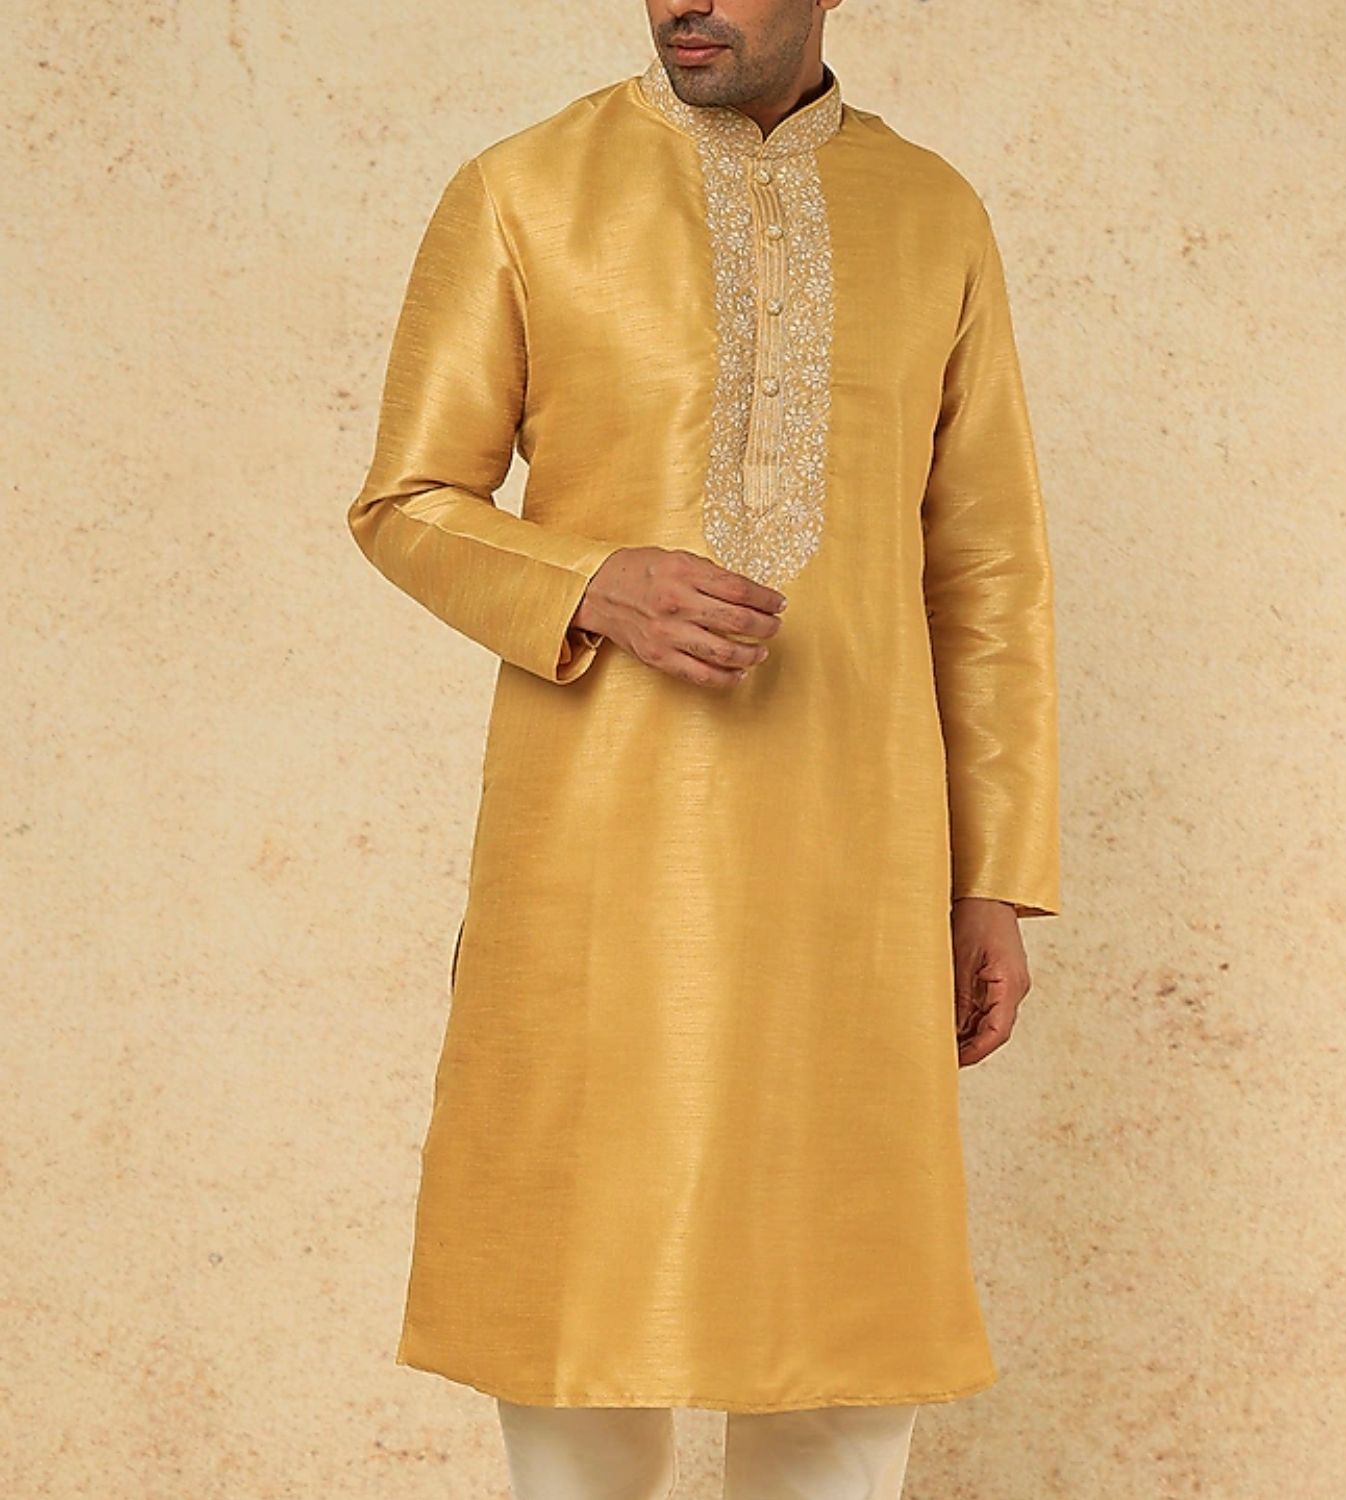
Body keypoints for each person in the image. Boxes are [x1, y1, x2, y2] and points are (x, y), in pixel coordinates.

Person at [346, 0, 1060, 1493]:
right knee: (582, 1315)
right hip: (600, 853)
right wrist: (588, 580)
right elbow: (407, 500)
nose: (685, 0)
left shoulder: (932, 213)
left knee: (844, 1327)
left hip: (856, 861)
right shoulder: (526, 190)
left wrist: (992, 878)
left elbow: (986, 566)